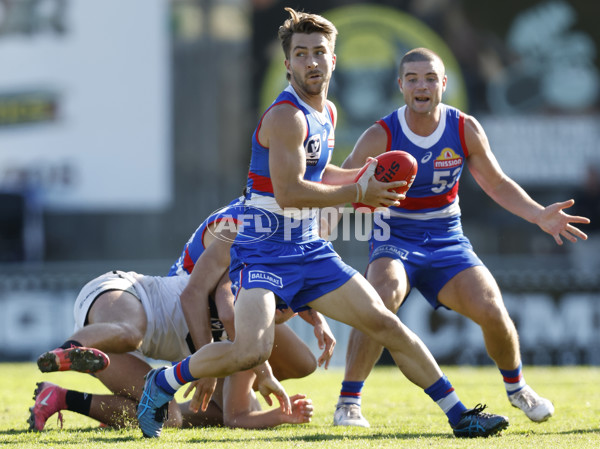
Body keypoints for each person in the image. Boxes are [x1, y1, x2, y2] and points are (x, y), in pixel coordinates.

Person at [136, 8, 509, 439]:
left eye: (319, 52)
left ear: (334, 59)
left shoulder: (327, 113)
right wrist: (358, 193)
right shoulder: (285, 117)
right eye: (301, 54)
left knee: (385, 323)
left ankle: (460, 415)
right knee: (248, 350)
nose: (311, 61)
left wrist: (359, 176)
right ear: (287, 64)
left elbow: (319, 173)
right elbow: (290, 192)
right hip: (264, 248)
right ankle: (161, 383)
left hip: (308, 246)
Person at [333, 47, 590, 427]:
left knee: (492, 309)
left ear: (444, 84)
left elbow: (496, 183)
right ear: (400, 85)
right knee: (379, 300)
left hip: (446, 240)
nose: (422, 86)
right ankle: (348, 402)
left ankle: (518, 387)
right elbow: (342, 183)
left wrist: (539, 215)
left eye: (431, 78)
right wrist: (326, 218)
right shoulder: (380, 134)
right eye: (414, 78)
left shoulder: (463, 127)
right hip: (395, 239)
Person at [29, 199, 335, 431]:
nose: (288, 312)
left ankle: (58, 398)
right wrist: (258, 373)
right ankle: (68, 350)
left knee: (171, 417)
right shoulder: (247, 264)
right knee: (130, 331)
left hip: (112, 347)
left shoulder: (252, 332)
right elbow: (224, 306)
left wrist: (279, 415)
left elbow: (234, 416)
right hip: (126, 293)